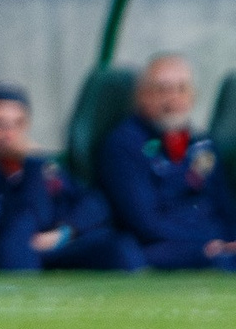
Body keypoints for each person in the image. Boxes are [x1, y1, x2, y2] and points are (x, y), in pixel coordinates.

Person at [0, 83, 144, 274]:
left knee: (120, 248)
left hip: (57, 245)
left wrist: (65, 232)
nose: (7, 134)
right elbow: (33, 216)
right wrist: (33, 162)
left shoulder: (42, 165)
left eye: (17, 124)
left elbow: (93, 203)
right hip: (6, 252)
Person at [95, 53, 236, 270]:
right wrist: (207, 244)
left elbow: (224, 207)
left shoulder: (202, 143)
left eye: (182, 89)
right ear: (142, 96)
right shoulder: (124, 144)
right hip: (164, 248)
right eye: (162, 90)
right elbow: (144, 222)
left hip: (215, 243)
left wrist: (229, 241)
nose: (173, 99)